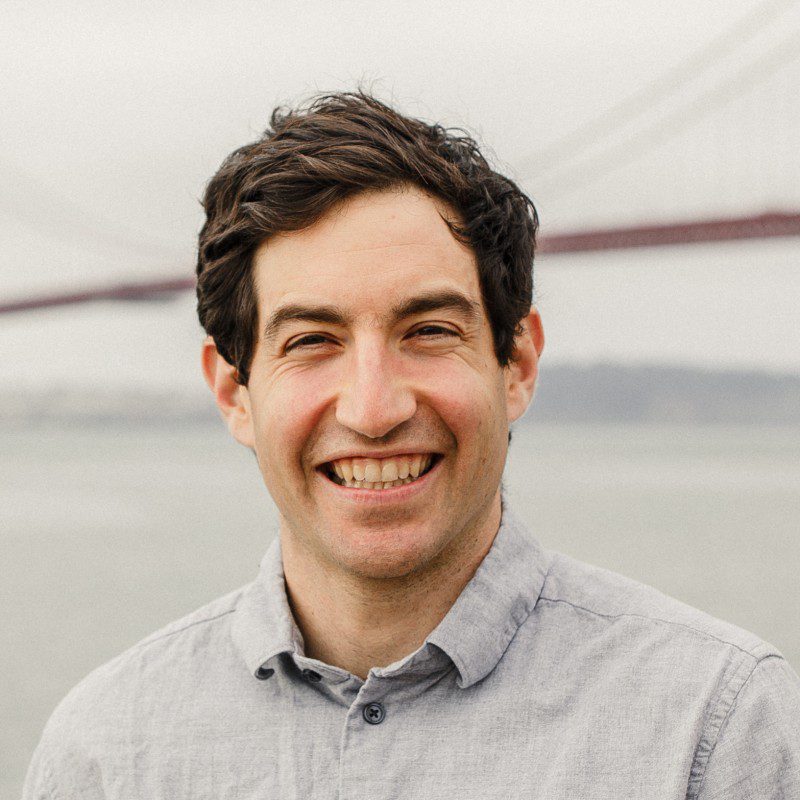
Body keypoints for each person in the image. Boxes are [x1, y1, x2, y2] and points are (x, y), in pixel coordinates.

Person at [24, 91, 800, 799]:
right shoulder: (102, 754)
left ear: (517, 365)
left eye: (429, 331)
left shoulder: (719, 728)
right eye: (312, 340)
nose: (373, 408)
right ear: (235, 393)